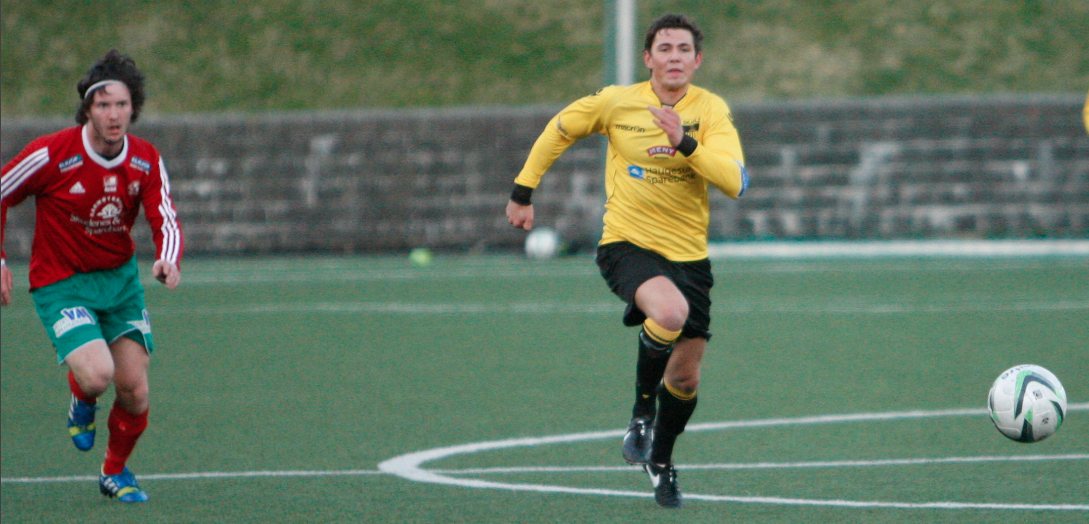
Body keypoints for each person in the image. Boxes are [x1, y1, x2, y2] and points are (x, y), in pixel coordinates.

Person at [505, 14, 747, 508]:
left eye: (684, 49)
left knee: (684, 379)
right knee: (670, 313)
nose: (674, 57)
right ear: (648, 58)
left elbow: (734, 182)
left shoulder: (710, 111)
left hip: (689, 259)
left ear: (697, 60)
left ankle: (661, 460)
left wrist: (685, 142)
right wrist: (523, 191)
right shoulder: (617, 102)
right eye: (665, 49)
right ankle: (640, 415)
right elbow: (559, 129)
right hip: (627, 244)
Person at [1, 49, 183, 503]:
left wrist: (168, 258)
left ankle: (113, 472)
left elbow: (164, 215)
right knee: (99, 374)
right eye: (103, 104)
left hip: (119, 284)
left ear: (133, 108)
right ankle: (83, 396)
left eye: (122, 104)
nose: (113, 114)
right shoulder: (51, 153)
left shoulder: (145, 159)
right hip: (61, 282)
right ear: (87, 108)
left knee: (135, 390)